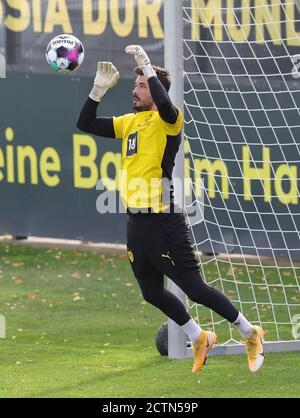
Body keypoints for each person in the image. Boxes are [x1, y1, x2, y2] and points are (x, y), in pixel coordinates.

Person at [77, 45, 265, 374]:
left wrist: (149, 68)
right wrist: (97, 90)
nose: (134, 91)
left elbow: (165, 105)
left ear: (156, 91)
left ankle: (250, 332)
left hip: (165, 221)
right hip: (136, 221)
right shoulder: (129, 123)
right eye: (134, 85)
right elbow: (86, 123)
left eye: (140, 86)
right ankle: (199, 336)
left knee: (194, 288)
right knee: (150, 292)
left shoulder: (169, 121)